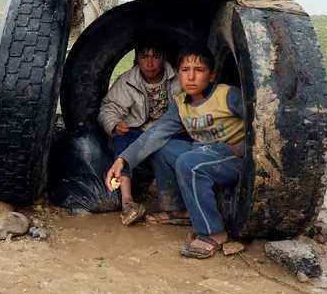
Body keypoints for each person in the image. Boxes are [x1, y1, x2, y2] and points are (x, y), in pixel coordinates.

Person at [105, 45, 244, 259]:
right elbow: (155, 134)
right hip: (202, 152)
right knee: (164, 146)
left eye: (198, 70)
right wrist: (122, 160)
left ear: (212, 74)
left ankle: (213, 232)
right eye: (185, 70)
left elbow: (262, 120)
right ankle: (178, 209)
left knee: (189, 163)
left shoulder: (228, 95)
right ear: (178, 74)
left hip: (232, 158)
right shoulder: (180, 104)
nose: (190, 77)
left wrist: (242, 149)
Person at [98, 38, 183, 225]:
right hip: (138, 131)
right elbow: (108, 108)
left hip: (167, 131)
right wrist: (115, 123)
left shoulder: (177, 78)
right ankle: (127, 201)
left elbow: (188, 109)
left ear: (164, 58)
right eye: (144, 57)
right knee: (122, 139)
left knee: (172, 145)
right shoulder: (127, 80)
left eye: (156, 56)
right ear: (137, 58)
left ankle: (162, 190)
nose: (150, 63)